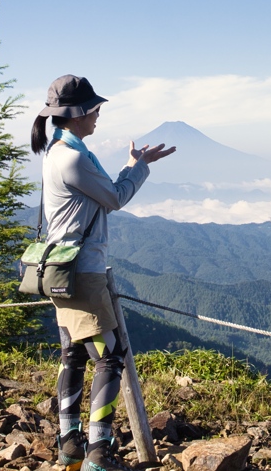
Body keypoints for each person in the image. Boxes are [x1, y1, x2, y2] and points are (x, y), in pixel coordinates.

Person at [31, 74, 175, 471]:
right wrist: (139, 167)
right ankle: (99, 451)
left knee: (74, 353)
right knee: (110, 357)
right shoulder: (73, 157)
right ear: (76, 114)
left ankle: (70, 443)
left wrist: (132, 163)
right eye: (95, 109)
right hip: (83, 273)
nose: (98, 115)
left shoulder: (57, 152)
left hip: (61, 270)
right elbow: (114, 198)